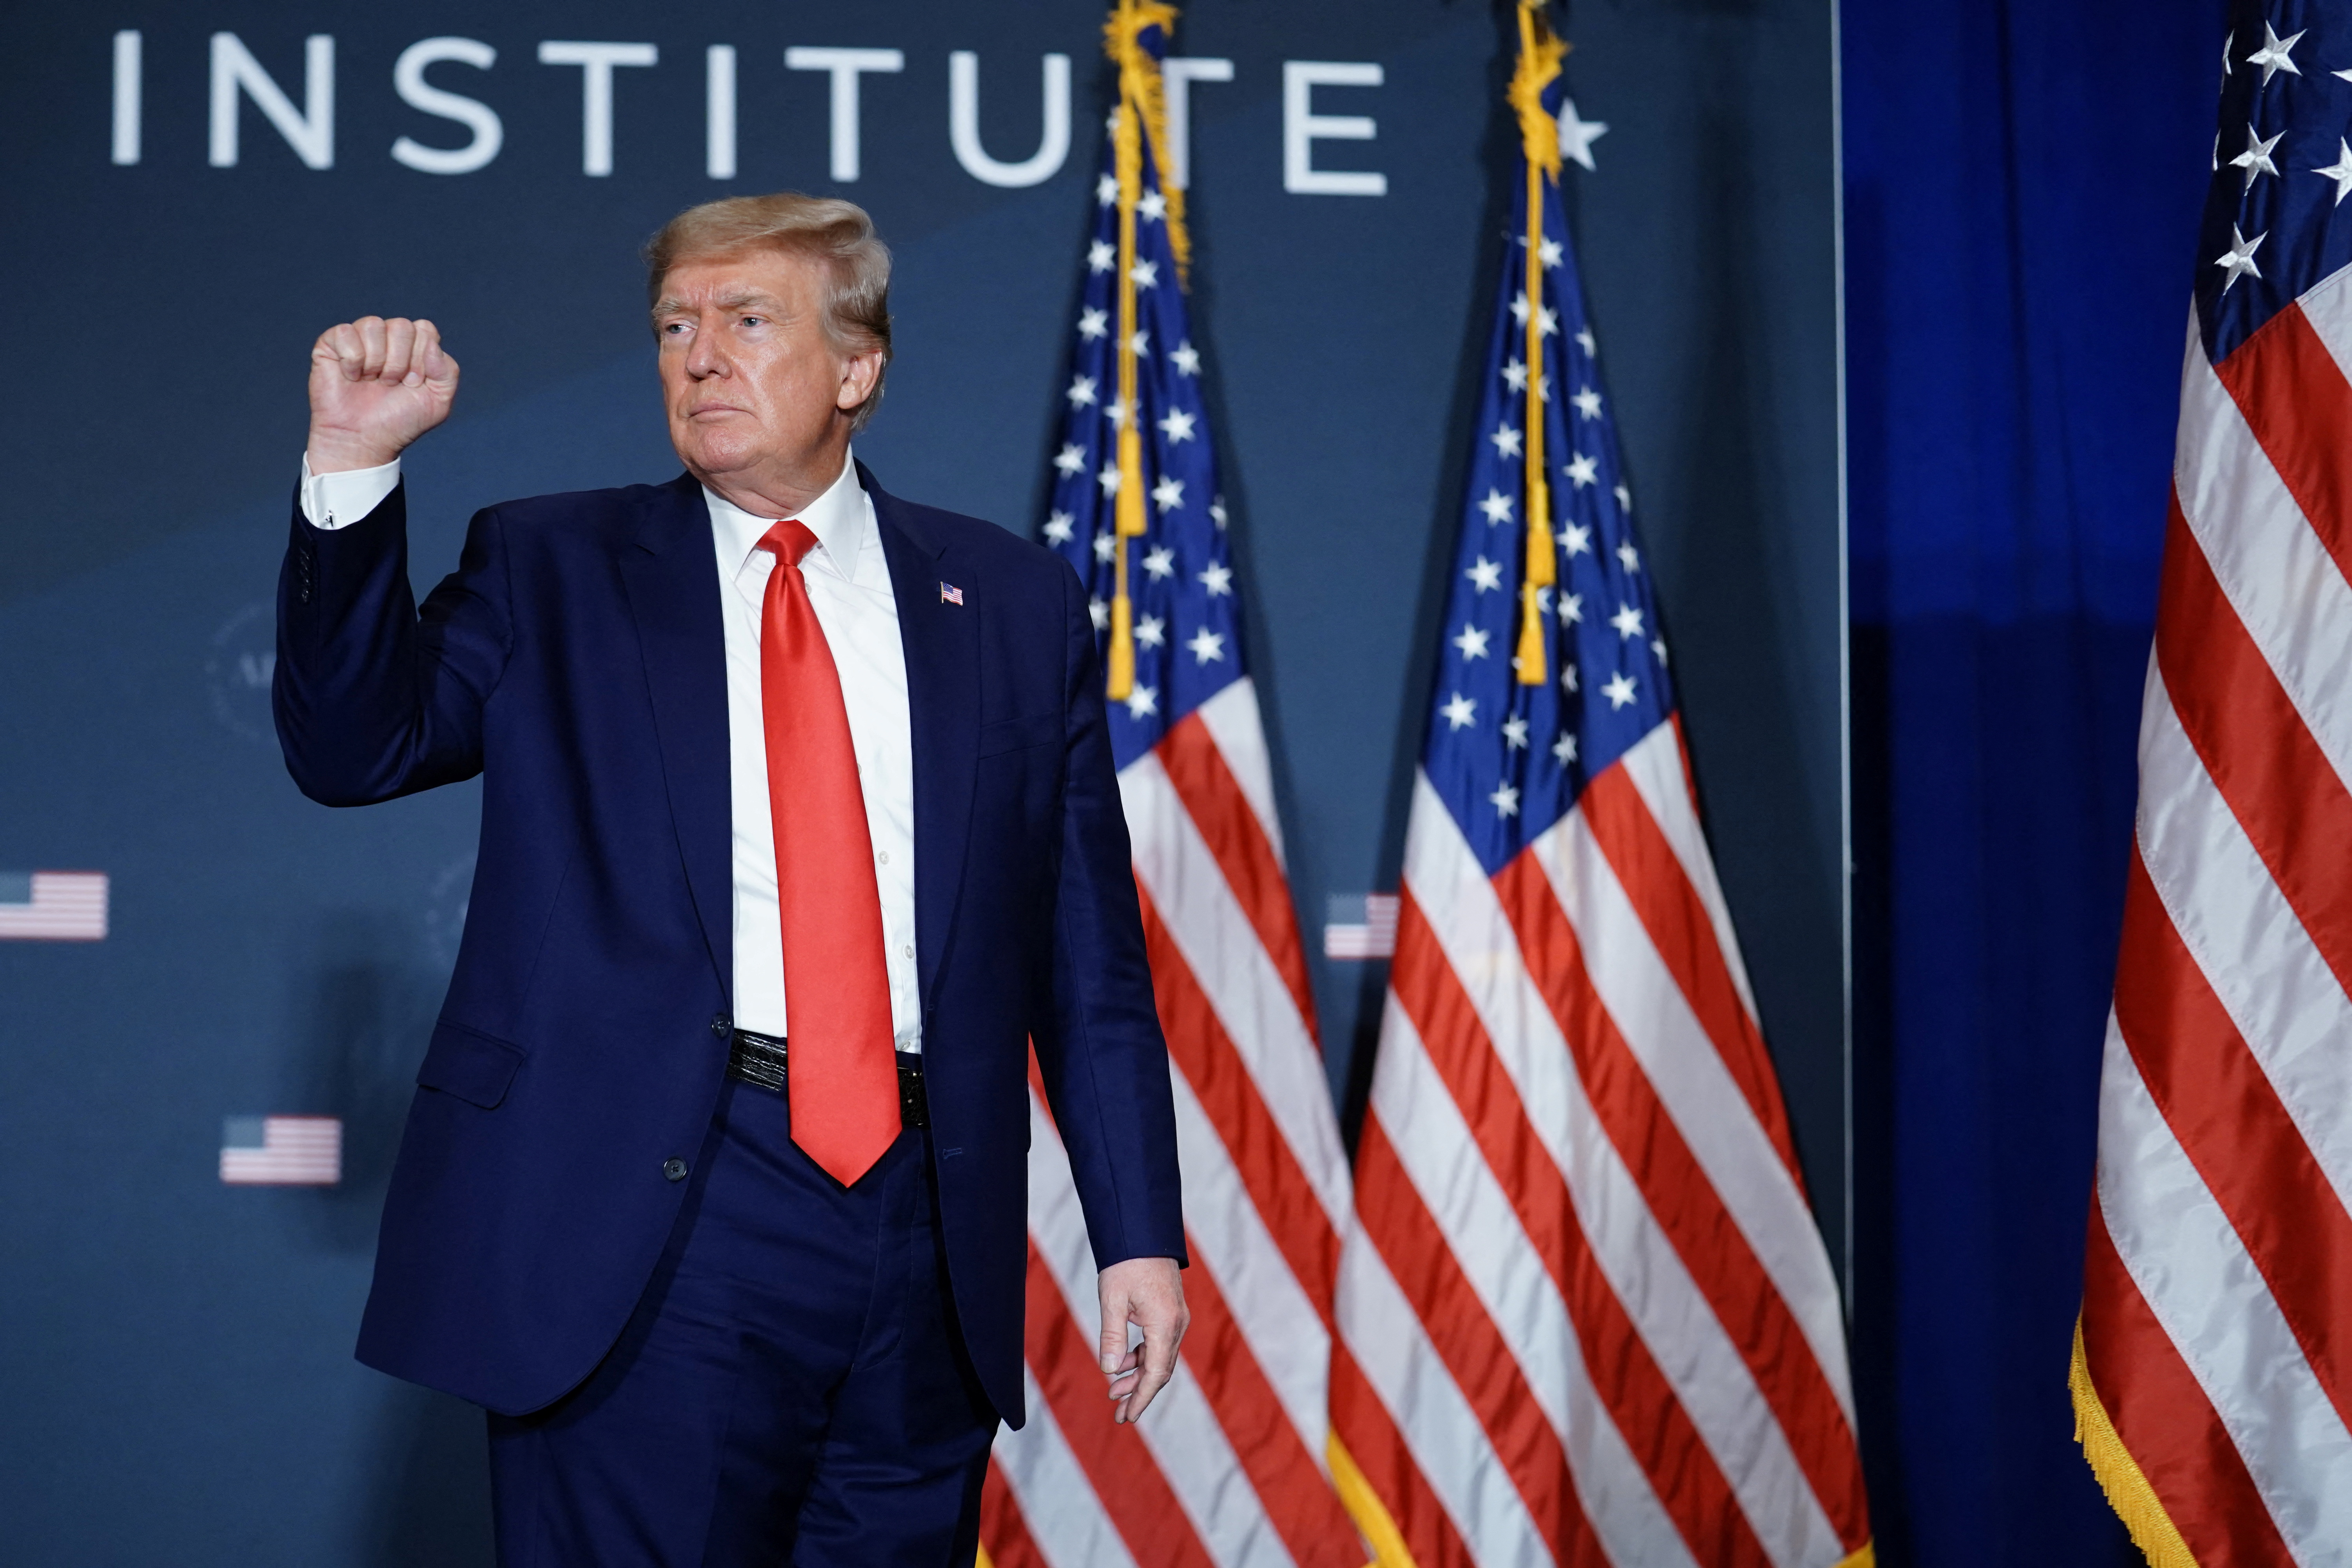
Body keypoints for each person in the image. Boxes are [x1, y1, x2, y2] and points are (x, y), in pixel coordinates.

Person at [273, 192, 1188, 1566]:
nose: (698, 355)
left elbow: (1087, 956)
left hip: (926, 1227)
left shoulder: (1008, 600)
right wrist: (350, 467)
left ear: (858, 367)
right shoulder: (555, 565)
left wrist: (1139, 1236)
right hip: (658, 1211)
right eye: (673, 327)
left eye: (747, 321)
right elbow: (357, 750)